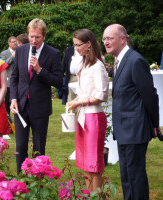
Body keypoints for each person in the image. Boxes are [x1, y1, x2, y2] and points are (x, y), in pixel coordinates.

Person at [103, 24, 160, 200]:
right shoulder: (119, 60)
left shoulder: (135, 61)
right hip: (124, 129)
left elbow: (150, 96)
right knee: (126, 177)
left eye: (110, 38)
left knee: (135, 177)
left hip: (135, 129)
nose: (105, 42)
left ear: (122, 39)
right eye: (104, 38)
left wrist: (155, 124)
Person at [10, 18, 63, 173]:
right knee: (20, 147)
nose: (34, 40)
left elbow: (59, 82)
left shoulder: (53, 54)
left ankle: (38, 181)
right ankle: (21, 180)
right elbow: (14, 77)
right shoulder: (21, 50)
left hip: (40, 108)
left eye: (37, 37)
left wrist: (40, 70)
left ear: (44, 36)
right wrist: (13, 98)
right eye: (31, 36)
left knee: (39, 147)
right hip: (20, 106)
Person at [66, 29, 109, 191]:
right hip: (83, 117)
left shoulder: (98, 65)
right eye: (74, 45)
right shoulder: (84, 63)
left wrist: (80, 103)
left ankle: (96, 195)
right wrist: (74, 101)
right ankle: (88, 194)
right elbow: (84, 91)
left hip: (94, 118)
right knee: (84, 162)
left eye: (78, 45)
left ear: (88, 44)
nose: (75, 48)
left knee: (94, 164)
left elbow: (102, 95)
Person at [0, 36, 17, 115]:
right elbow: (4, 65)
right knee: (7, 103)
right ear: (9, 43)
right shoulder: (4, 53)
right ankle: (7, 120)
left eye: (16, 41)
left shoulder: (20, 51)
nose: (15, 43)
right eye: (13, 41)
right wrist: (13, 56)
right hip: (8, 82)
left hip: (18, 81)